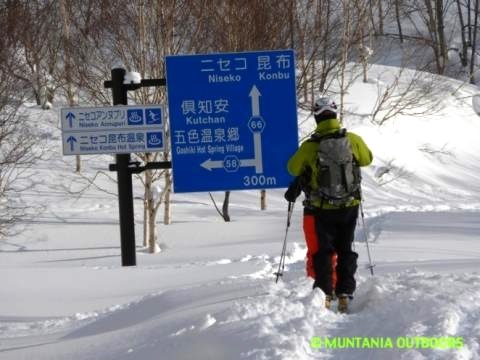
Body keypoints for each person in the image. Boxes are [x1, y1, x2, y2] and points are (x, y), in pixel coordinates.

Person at [285, 97, 373, 313]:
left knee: (323, 252)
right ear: (335, 115)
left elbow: (292, 169)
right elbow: (367, 159)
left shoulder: (310, 146)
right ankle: (345, 291)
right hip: (349, 204)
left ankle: (325, 292)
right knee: (345, 249)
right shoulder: (352, 139)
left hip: (321, 208)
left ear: (316, 118)